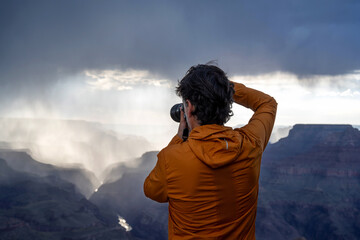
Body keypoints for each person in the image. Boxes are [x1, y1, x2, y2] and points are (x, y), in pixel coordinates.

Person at [143, 64, 277, 239]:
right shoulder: (251, 144)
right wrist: (221, 87)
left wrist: (179, 138)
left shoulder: (171, 158)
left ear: (189, 108)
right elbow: (267, 103)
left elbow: (151, 191)